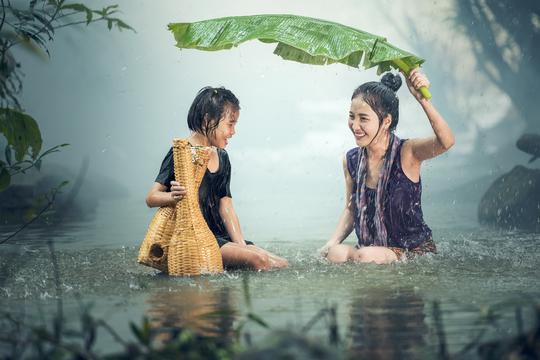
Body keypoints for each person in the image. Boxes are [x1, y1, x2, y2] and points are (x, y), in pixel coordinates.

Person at [146, 86, 288, 271]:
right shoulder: (181, 153)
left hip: (222, 237)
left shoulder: (222, 157)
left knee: (281, 264)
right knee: (259, 260)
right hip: (199, 239)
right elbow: (151, 197)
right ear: (208, 119)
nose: (233, 131)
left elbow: (226, 206)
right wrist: (172, 198)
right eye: (230, 124)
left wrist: (242, 246)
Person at [320, 69, 455, 264]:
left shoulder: (407, 153)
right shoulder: (350, 160)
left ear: (386, 122)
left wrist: (422, 99)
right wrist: (331, 243)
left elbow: (446, 142)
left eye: (363, 118)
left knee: (365, 255)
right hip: (371, 252)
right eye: (352, 116)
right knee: (336, 254)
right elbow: (351, 209)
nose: (355, 126)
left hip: (412, 252)